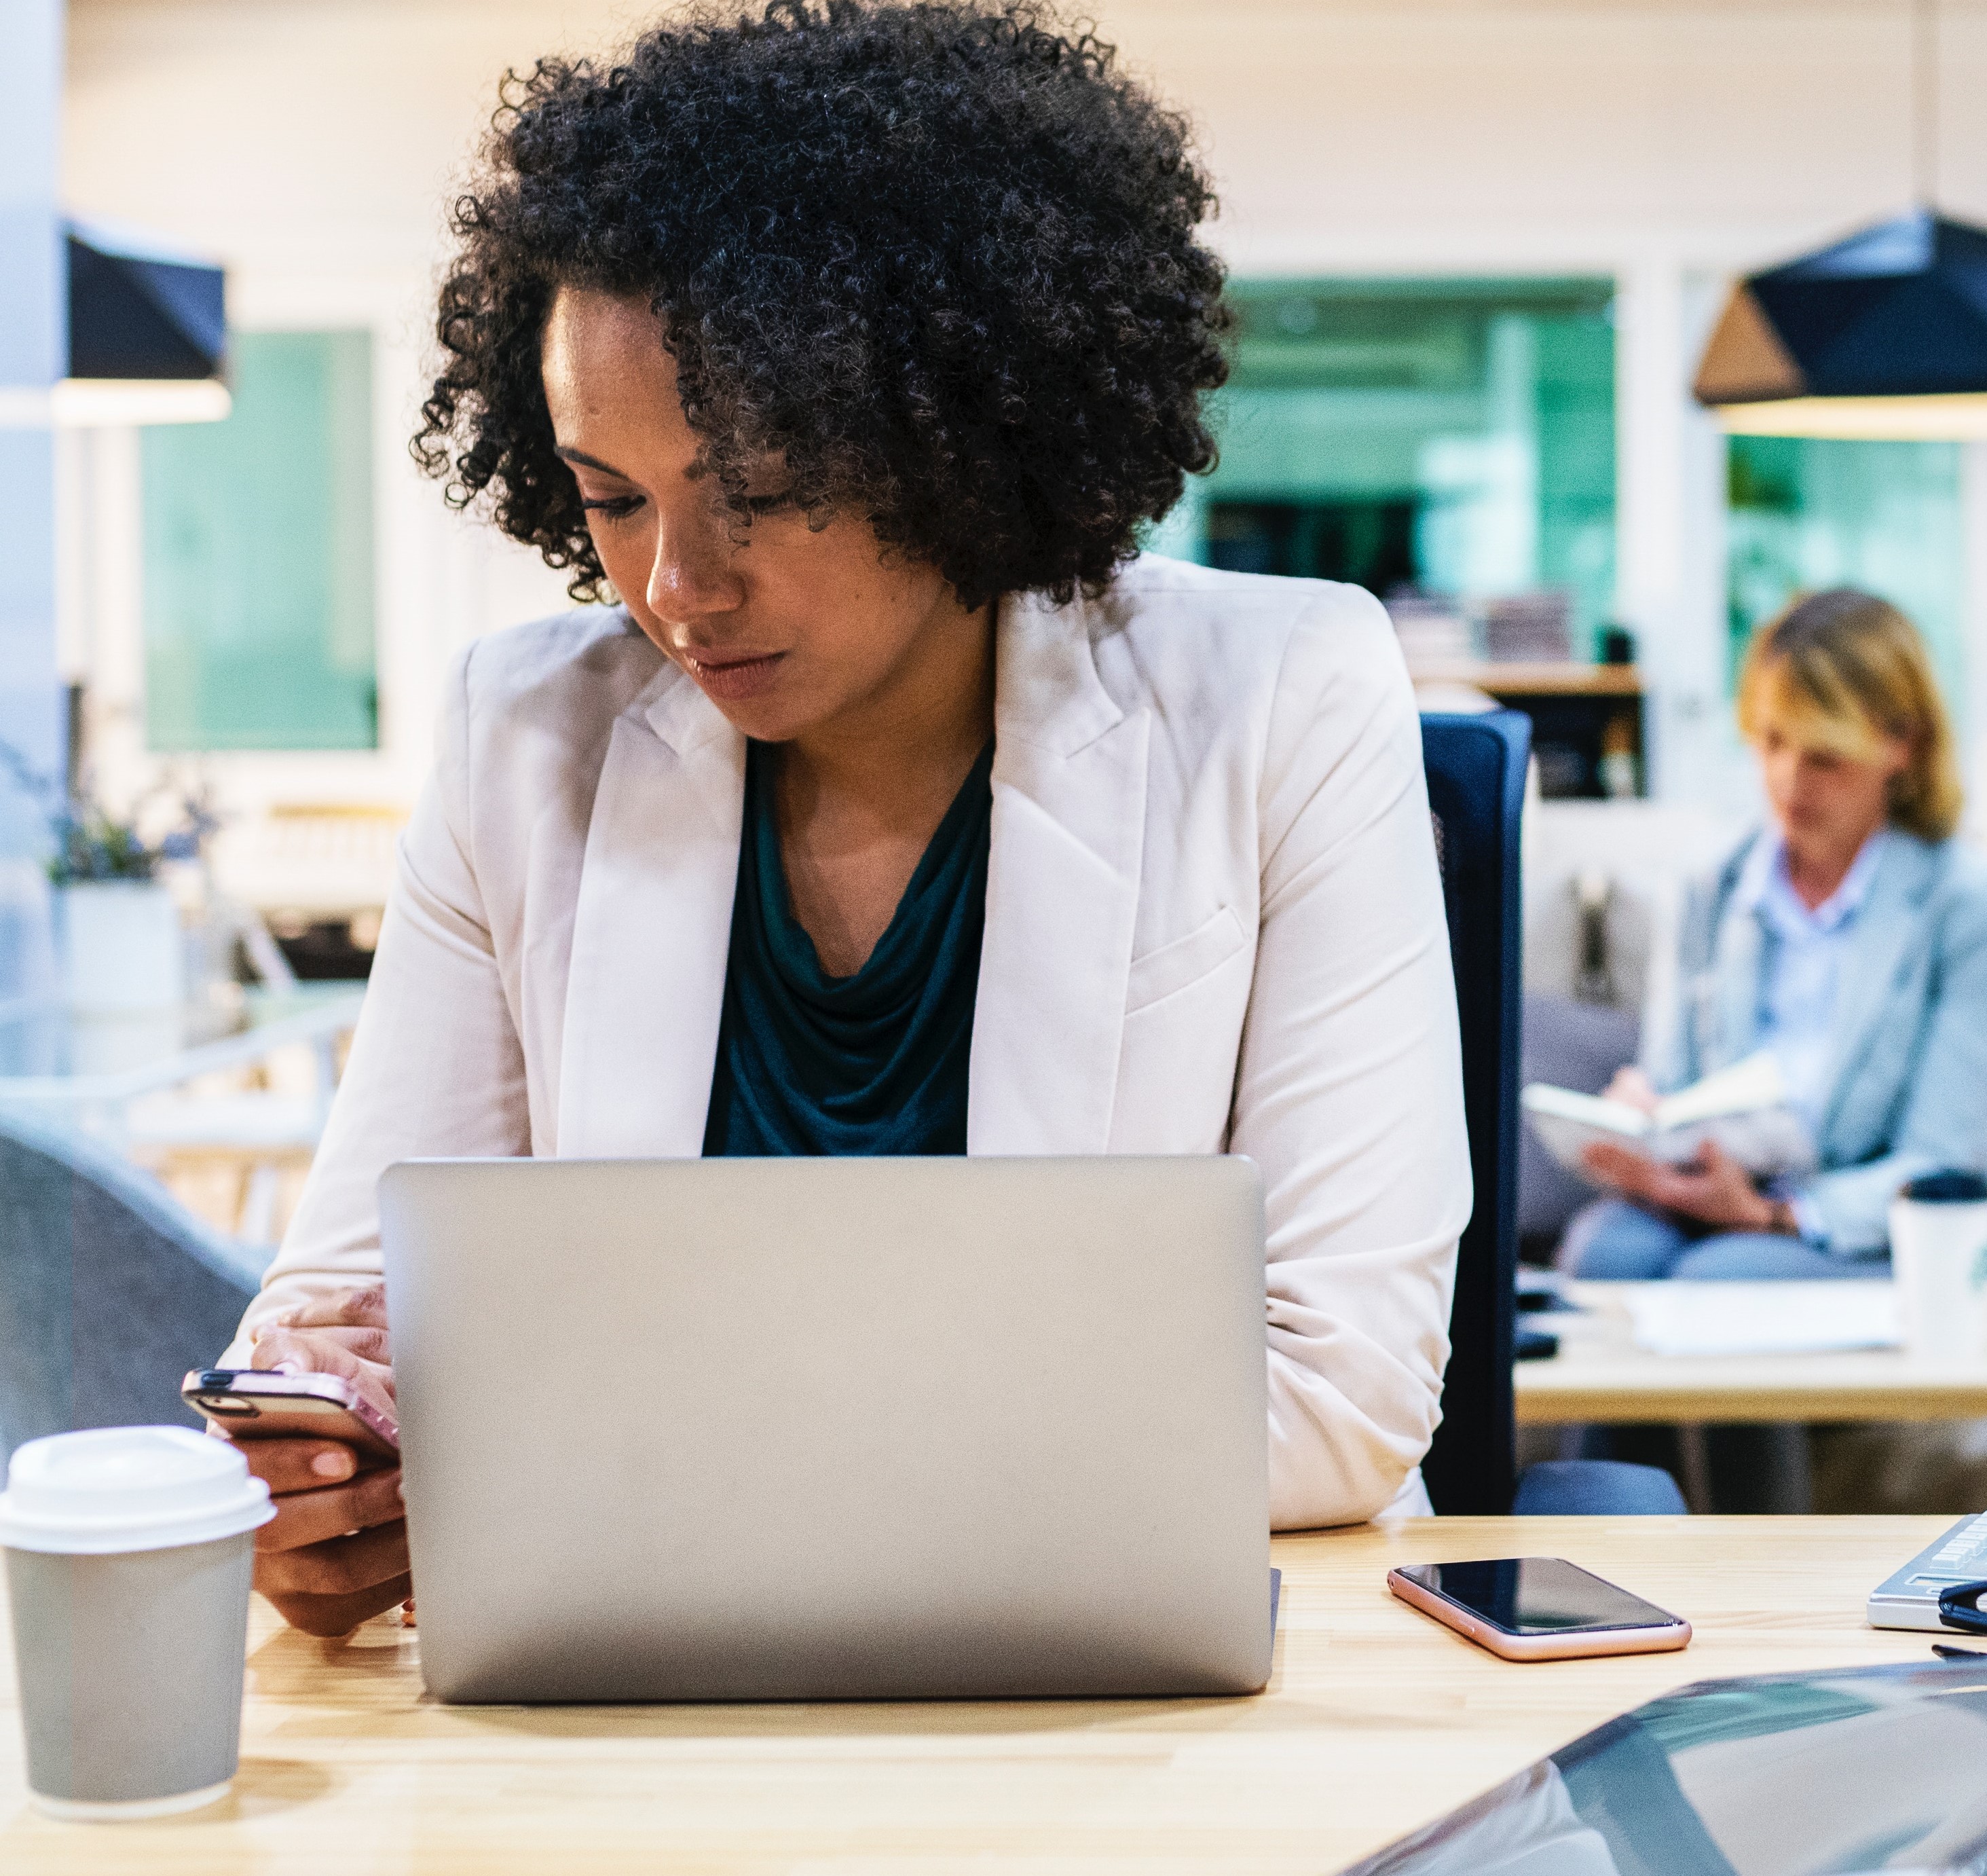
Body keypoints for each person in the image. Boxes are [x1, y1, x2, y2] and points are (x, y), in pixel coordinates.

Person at [222, 0, 1471, 1638]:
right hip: (635, 1679)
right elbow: (337, 1316)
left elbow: (1338, 1388)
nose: (677, 585)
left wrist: (584, 1461)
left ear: (963, 430)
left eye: (760, 490)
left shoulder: (1284, 690)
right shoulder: (518, 735)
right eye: (612, 498)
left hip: (1155, 1688)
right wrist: (320, 1463)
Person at [1565, 587, 1987, 1281]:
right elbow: (1673, 1079)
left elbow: (1941, 1163)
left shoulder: (1958, 903)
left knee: (1726, 1274)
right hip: (1710, 1190)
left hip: (1849, 1218)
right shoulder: (1710, 881)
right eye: (1770, 742)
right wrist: (1641, 1117)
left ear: (1899, 745)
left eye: (1824, 756)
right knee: (1604, 1256)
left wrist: (1770, 1216)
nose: (1788, 781)